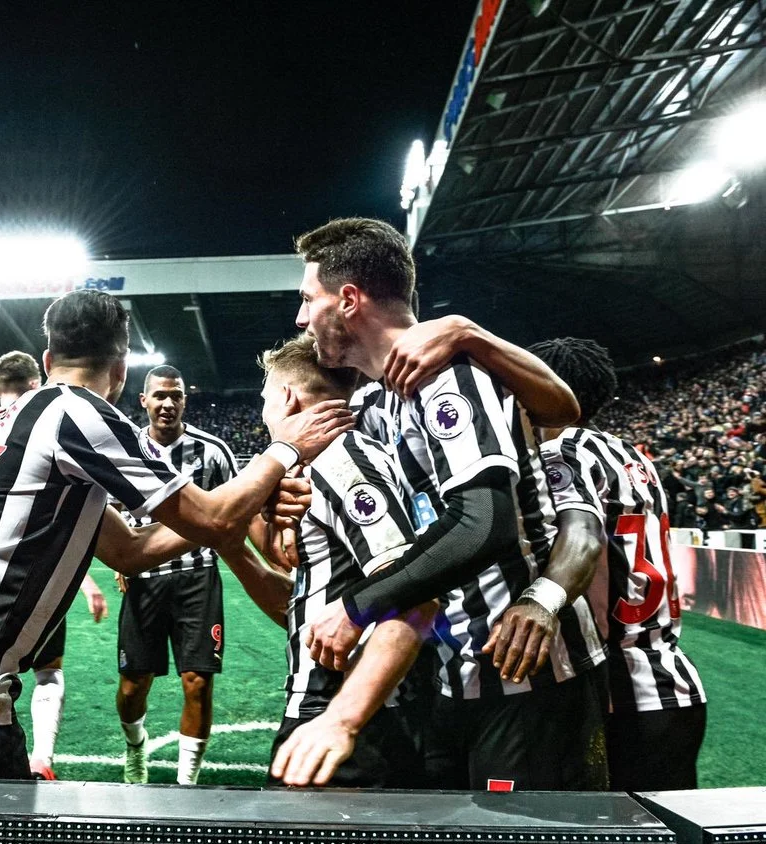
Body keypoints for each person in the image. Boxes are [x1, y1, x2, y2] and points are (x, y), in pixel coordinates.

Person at [0, 289, 352, 780]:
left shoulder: (20, 417)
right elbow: (213, 519)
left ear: (48, 359)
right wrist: (283, 451)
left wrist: (245, 504)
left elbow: (129, 551)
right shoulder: (79, 414)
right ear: (121, 368)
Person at [296, 217, 607, 791]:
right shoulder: (378, 403)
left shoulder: (448, 375)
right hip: (455, 668)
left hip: (528, 671)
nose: (300, 317)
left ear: (348, 300)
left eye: (307, 299)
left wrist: (355, 607)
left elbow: (482, 525)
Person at [222, 335, 440, 787]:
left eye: (265, 400)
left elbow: (413, 596)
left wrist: (342, 719)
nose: (264, 413)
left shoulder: (344, 461)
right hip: (336, 709)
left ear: (287, 398)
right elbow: (315, 604)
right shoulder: (319, 467)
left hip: (344, 714)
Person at [529, 337, 706, 790]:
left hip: (616, 692)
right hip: (670, 677)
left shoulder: (561, 454)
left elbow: (583, 544)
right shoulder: (635, 456)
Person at [116, 365, 238, 785]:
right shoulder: (125, 448)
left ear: (186, 400)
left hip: (198, 577)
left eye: (176, 396)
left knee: (197, 682)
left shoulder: (213, 451)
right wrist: (122, 559)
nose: (168, 403)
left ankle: (188, 784)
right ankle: (135, 747)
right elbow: (108, 508)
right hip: (144, 580)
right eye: (160, 395)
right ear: (144, 401)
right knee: (133, 685)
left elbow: (237, 508)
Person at [0, 349, 110, 780]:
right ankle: (41, 758)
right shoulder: (50, 422)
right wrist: (86, 582)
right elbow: (65, 521)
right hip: (38, 582)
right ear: (35, 381)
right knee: (47, 672)